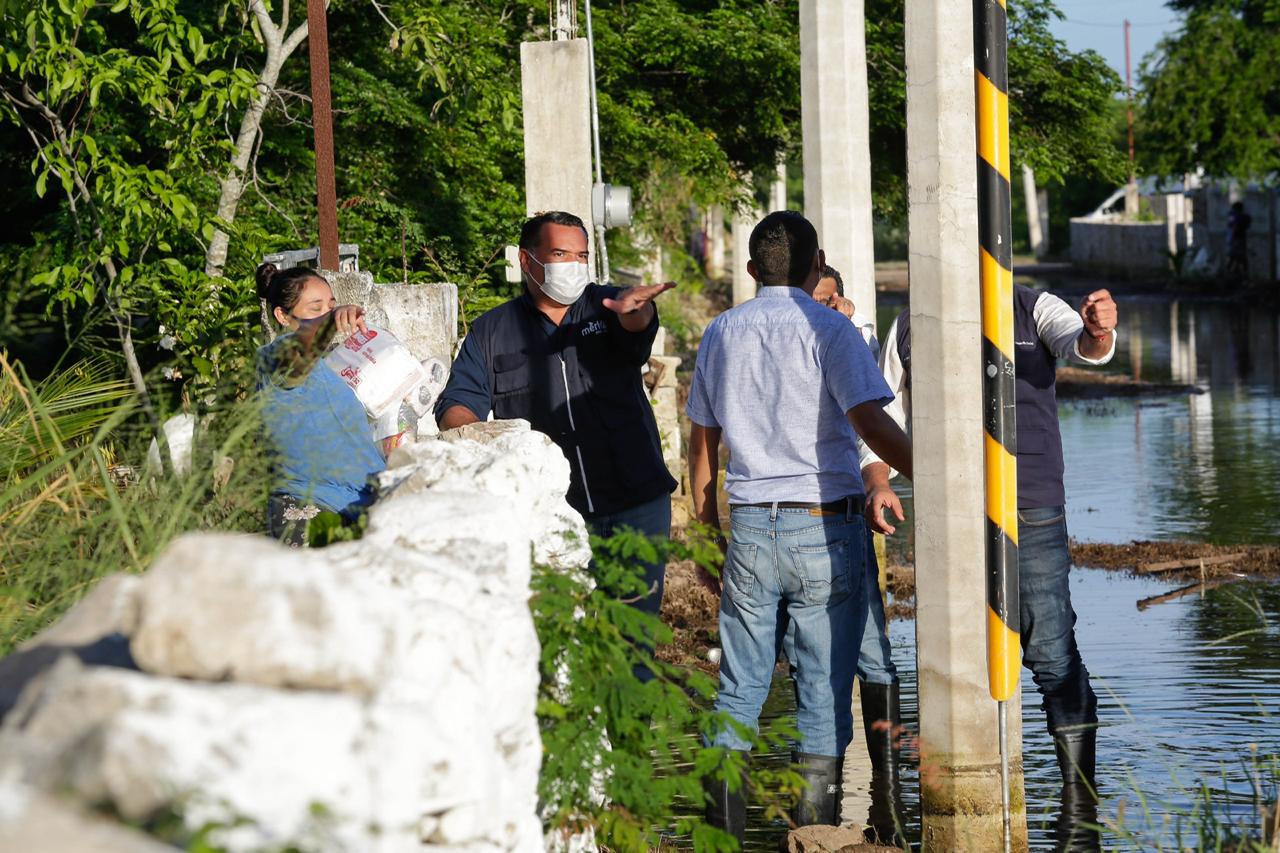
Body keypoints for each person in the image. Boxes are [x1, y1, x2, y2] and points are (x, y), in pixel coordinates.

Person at [859, 284, 1119, 852]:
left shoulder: (1035, 307)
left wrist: (1099, 331)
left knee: (1052, 652)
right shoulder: (910, 325)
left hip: (1033, 509)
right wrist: (877, 478)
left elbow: (1083, 346)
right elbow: (883, 411)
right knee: (955, 655)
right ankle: (958, 810)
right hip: (948, 511)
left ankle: (1078, 820)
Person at [686, 211, 913, 842]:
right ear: (817, 266)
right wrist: (943, 476)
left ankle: (720, 841)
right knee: (820, 696)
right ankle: (815, 839)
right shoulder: (832, 331)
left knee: (737, 694)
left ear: (752, 270)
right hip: (826, 527)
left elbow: (702, 449)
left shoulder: (721, 333)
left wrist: (708, 536)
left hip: (752, 527)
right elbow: (872, 426)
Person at [434, 211, 678, 626]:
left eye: (581, 256)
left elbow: (636, 326)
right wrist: (478, 437)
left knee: (632, 642)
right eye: (561, 254)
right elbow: (457, 405)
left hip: (635, 503)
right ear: (527, 261)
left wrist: (636, 312)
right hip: (551, 514)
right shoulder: (492, 331)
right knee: (560, 640)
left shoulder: (607, 307)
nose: (575, 266)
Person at [807, 265, 901, 845]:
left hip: (851, 509)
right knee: (818, 661)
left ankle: (886, 811)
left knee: (873, 653)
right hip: (803, 514)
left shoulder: (855, 339)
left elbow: (873, 424)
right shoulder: (787, 337)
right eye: (818, 298)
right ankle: (820, 814)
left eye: (834, 297)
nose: (830, 305)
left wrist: (880, 483)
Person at [255, 263, 387, 546]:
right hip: (313, 510)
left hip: (359, 506)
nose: (326, 314)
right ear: (282, 315)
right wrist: (331, 321)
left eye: (331, 305)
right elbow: (299, 349)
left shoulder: (328, 368)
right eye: (315, 308)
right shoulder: (274, 356)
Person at [811, 264, 879, 360]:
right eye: (809, 301)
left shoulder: (860, 331)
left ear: (840, 300)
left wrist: (844, 326)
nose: (816, 309)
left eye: (825, 302)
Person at [1226, 201, 1252, 279]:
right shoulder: (1243, 217)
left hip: (1237, 240)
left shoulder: (1238, 217)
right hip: (1239, 240)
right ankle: (1243, 274)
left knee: (1234, 257)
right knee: (1239, 258)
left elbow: (1231, 226)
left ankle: (1231, 275)